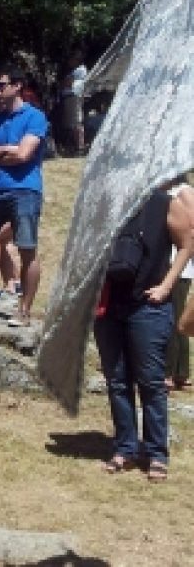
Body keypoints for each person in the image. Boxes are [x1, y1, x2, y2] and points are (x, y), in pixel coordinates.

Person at [96, 185, 192, 482]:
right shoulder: (107, 202)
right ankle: (125, 448)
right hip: (110, 303)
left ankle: (156, 454)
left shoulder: (165, 203)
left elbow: (188, 244)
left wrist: (166, 286)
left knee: (150, 382)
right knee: (117, 379)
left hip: (148, 306)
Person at [0, 66, 49, 327]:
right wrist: (6, 149)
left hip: (26, 189)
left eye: (1, 84)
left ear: (17, 86)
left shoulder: (35, 117)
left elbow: (24, 155)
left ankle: (24, 310)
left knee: (27, 250)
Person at [166, 179, 194, 390]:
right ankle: (180, 373)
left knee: (172, 320)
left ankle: (170, 373)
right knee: (176, 320)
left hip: (178, 267)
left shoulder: (181, 191)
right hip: (177, 267)